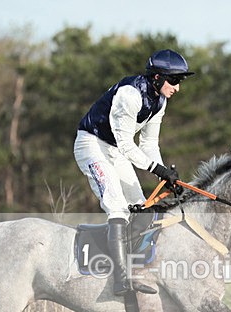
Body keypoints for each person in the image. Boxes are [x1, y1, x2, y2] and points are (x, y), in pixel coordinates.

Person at [74, 49, 194, 295]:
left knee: (141, 207)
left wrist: (163, 175)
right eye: (174, 81)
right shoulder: (130, 95)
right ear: (158, 78)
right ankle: (120, 280)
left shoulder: (160, 101)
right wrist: (157, 169)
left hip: (115, 149)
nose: (178, 88)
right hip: (92, 144)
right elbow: (127, 144)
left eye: (180, 81)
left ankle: (136, 270)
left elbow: (149, 145)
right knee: (117, 206)